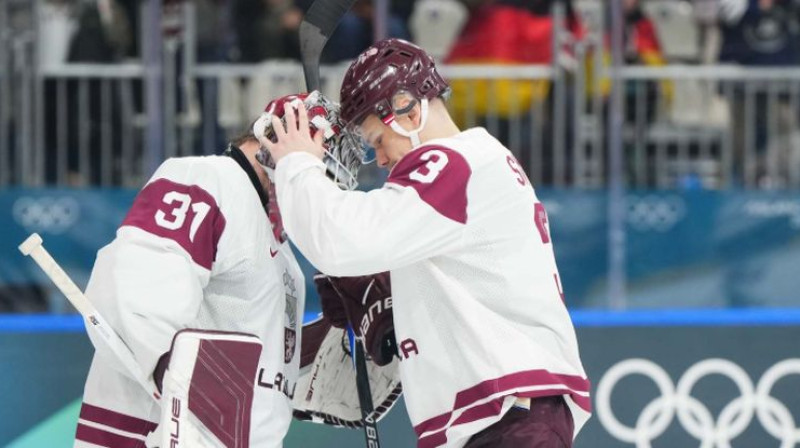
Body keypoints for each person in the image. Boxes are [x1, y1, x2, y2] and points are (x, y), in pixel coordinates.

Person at [263, 38, 591, 448]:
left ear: (408, 109)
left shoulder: (452, 163)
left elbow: (341, 238)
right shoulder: (472, 166)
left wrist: (299, 163)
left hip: (511, 414)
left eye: (379, 141)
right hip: (504, 414)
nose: (379, 160)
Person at [73, 92, 356, 447]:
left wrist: (339, 328)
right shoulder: (204, 179)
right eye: (315, 171)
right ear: (276, 143)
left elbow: (264, 370)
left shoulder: (282, 254)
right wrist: (182, 395)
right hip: (156, 436)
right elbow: (134, 293)